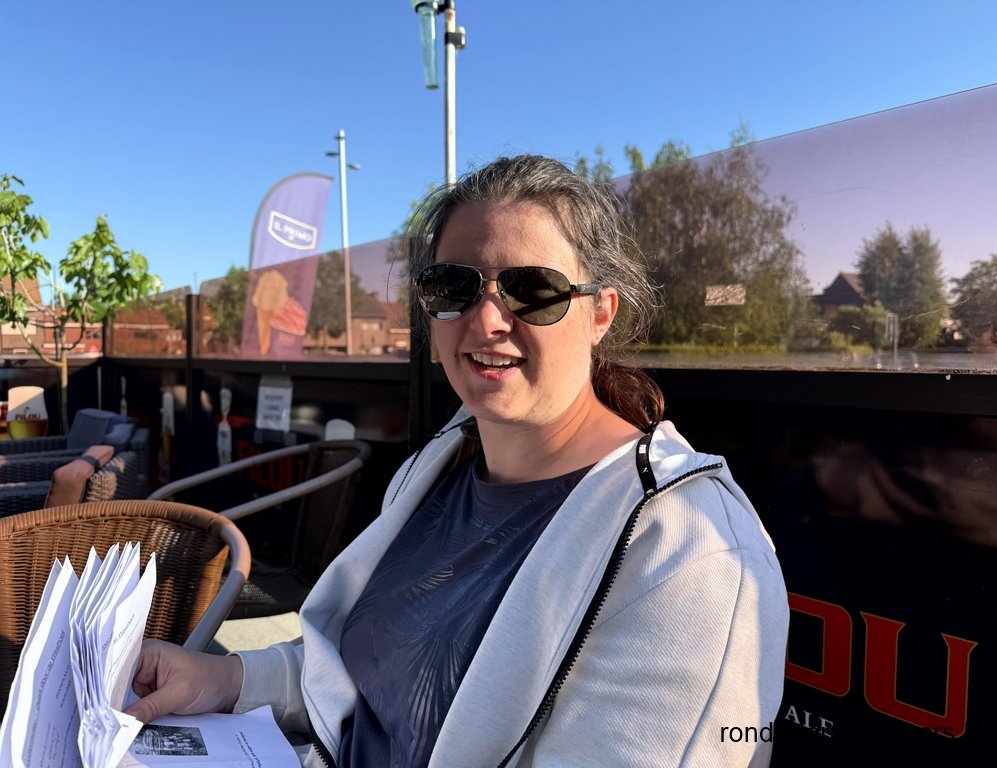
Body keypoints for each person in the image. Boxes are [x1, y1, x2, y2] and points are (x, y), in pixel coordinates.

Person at [126, 154, 789, 767]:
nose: (487, 320)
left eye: (533, 289)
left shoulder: (692, 555)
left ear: (599, 314)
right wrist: (227, 677)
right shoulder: (439, 469)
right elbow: (364, 673)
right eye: (453, 286)